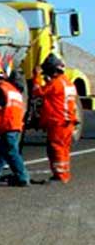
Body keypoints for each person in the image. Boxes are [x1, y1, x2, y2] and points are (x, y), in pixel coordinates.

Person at [32, 54, 78, 183]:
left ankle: (60, 176)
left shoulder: (56, 83)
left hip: (58, 122)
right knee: (64, 149)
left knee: (56, 148)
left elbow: (38, 92)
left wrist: (36, 77)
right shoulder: (68, 83)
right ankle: (64, 174)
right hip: (68, 122)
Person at [0, 66, 30, 186]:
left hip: (7, 124)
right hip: (16, 124)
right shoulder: (13, 90)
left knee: (11, 152)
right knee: (1, 151)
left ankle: (22, 177)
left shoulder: (0, 89)